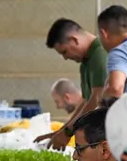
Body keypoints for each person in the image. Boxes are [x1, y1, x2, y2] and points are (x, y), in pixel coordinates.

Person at [37, 18, 107, 149]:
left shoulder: (100, 54)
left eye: (64, 51)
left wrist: (69, 132)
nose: (65, 58)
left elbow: (96, 100)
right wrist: (60, 132)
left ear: (74, 40)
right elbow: (85, 101)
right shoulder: (86, 62)